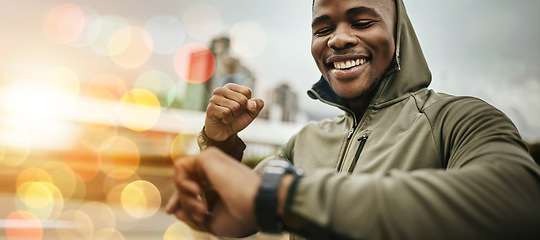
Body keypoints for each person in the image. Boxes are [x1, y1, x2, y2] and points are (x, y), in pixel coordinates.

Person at [166, 0, 540, 239]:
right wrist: (219, 146)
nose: (338, 39)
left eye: (362, 22)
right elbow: (233, 219)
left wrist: (285, 195)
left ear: (399, 34)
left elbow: (522, 205)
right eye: (323, 29)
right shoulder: (305, 140)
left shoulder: (459, 119)